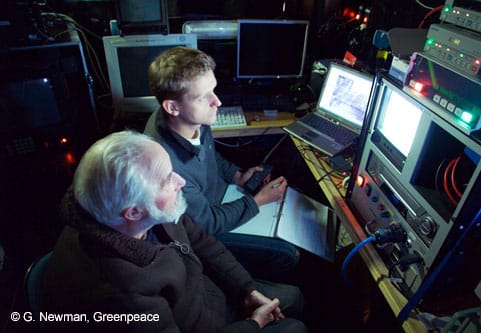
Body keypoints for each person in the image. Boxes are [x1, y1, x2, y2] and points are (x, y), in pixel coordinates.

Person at [41, 130, 307, 333]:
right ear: (133, 212)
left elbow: (202, 242)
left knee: (295, 297)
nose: (180, 181)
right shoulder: (123, 295)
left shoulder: (146, 210)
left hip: (206, 293)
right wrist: (252, 324)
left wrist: (246, 290)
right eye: (167, 180)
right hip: (200, 322)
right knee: (295, 327)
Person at [143, 47, 299, 280]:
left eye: (213, 90)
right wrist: (257, 201)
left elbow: (209, 155)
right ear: (172, 107)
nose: (217, 101)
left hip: (222, 198)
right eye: (202, 97)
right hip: (206, 230)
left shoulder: (192, 118)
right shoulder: (167, 167)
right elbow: (206, 224)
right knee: (288, 254)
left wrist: (237, 176)